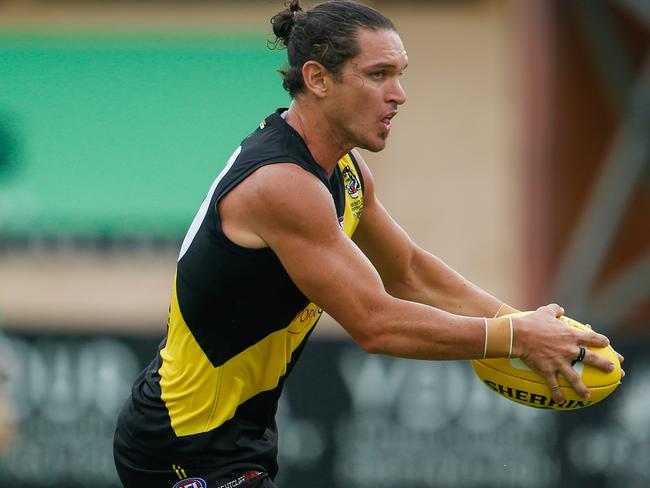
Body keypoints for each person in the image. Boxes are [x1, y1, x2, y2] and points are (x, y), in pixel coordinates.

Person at [114, 1, 623, 486]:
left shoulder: (347, 173)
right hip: (182, 441)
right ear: (317, 79)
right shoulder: (281, 184)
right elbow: (376, 323)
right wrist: (514, 339)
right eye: (379, 75)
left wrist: (521, 322)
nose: (399, 94)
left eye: (400, 74)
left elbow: (409, 272)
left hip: (233, 434)